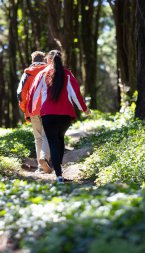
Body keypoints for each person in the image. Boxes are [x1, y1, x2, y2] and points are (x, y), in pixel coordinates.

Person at [28, 50, 90, 183]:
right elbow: (75, 94)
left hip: (48, 115)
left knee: (52, 142)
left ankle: (59, 176)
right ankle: (59, 171)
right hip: (66, 115)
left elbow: (34, 94)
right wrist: (84, 109)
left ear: (48, 60)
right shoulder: (67, 74)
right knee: (60, 139)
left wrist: (31, 110)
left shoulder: (42, 74)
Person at [17, 51, 52, 173]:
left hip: (33, 109)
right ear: (44, 60)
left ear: (32, 60)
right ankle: (44, 160)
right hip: (49, 108)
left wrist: (25, 108)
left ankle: (40, 166)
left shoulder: (27, 73)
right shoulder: (50, 71)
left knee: (38, 138)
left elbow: (20, 93)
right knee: (47, 135)